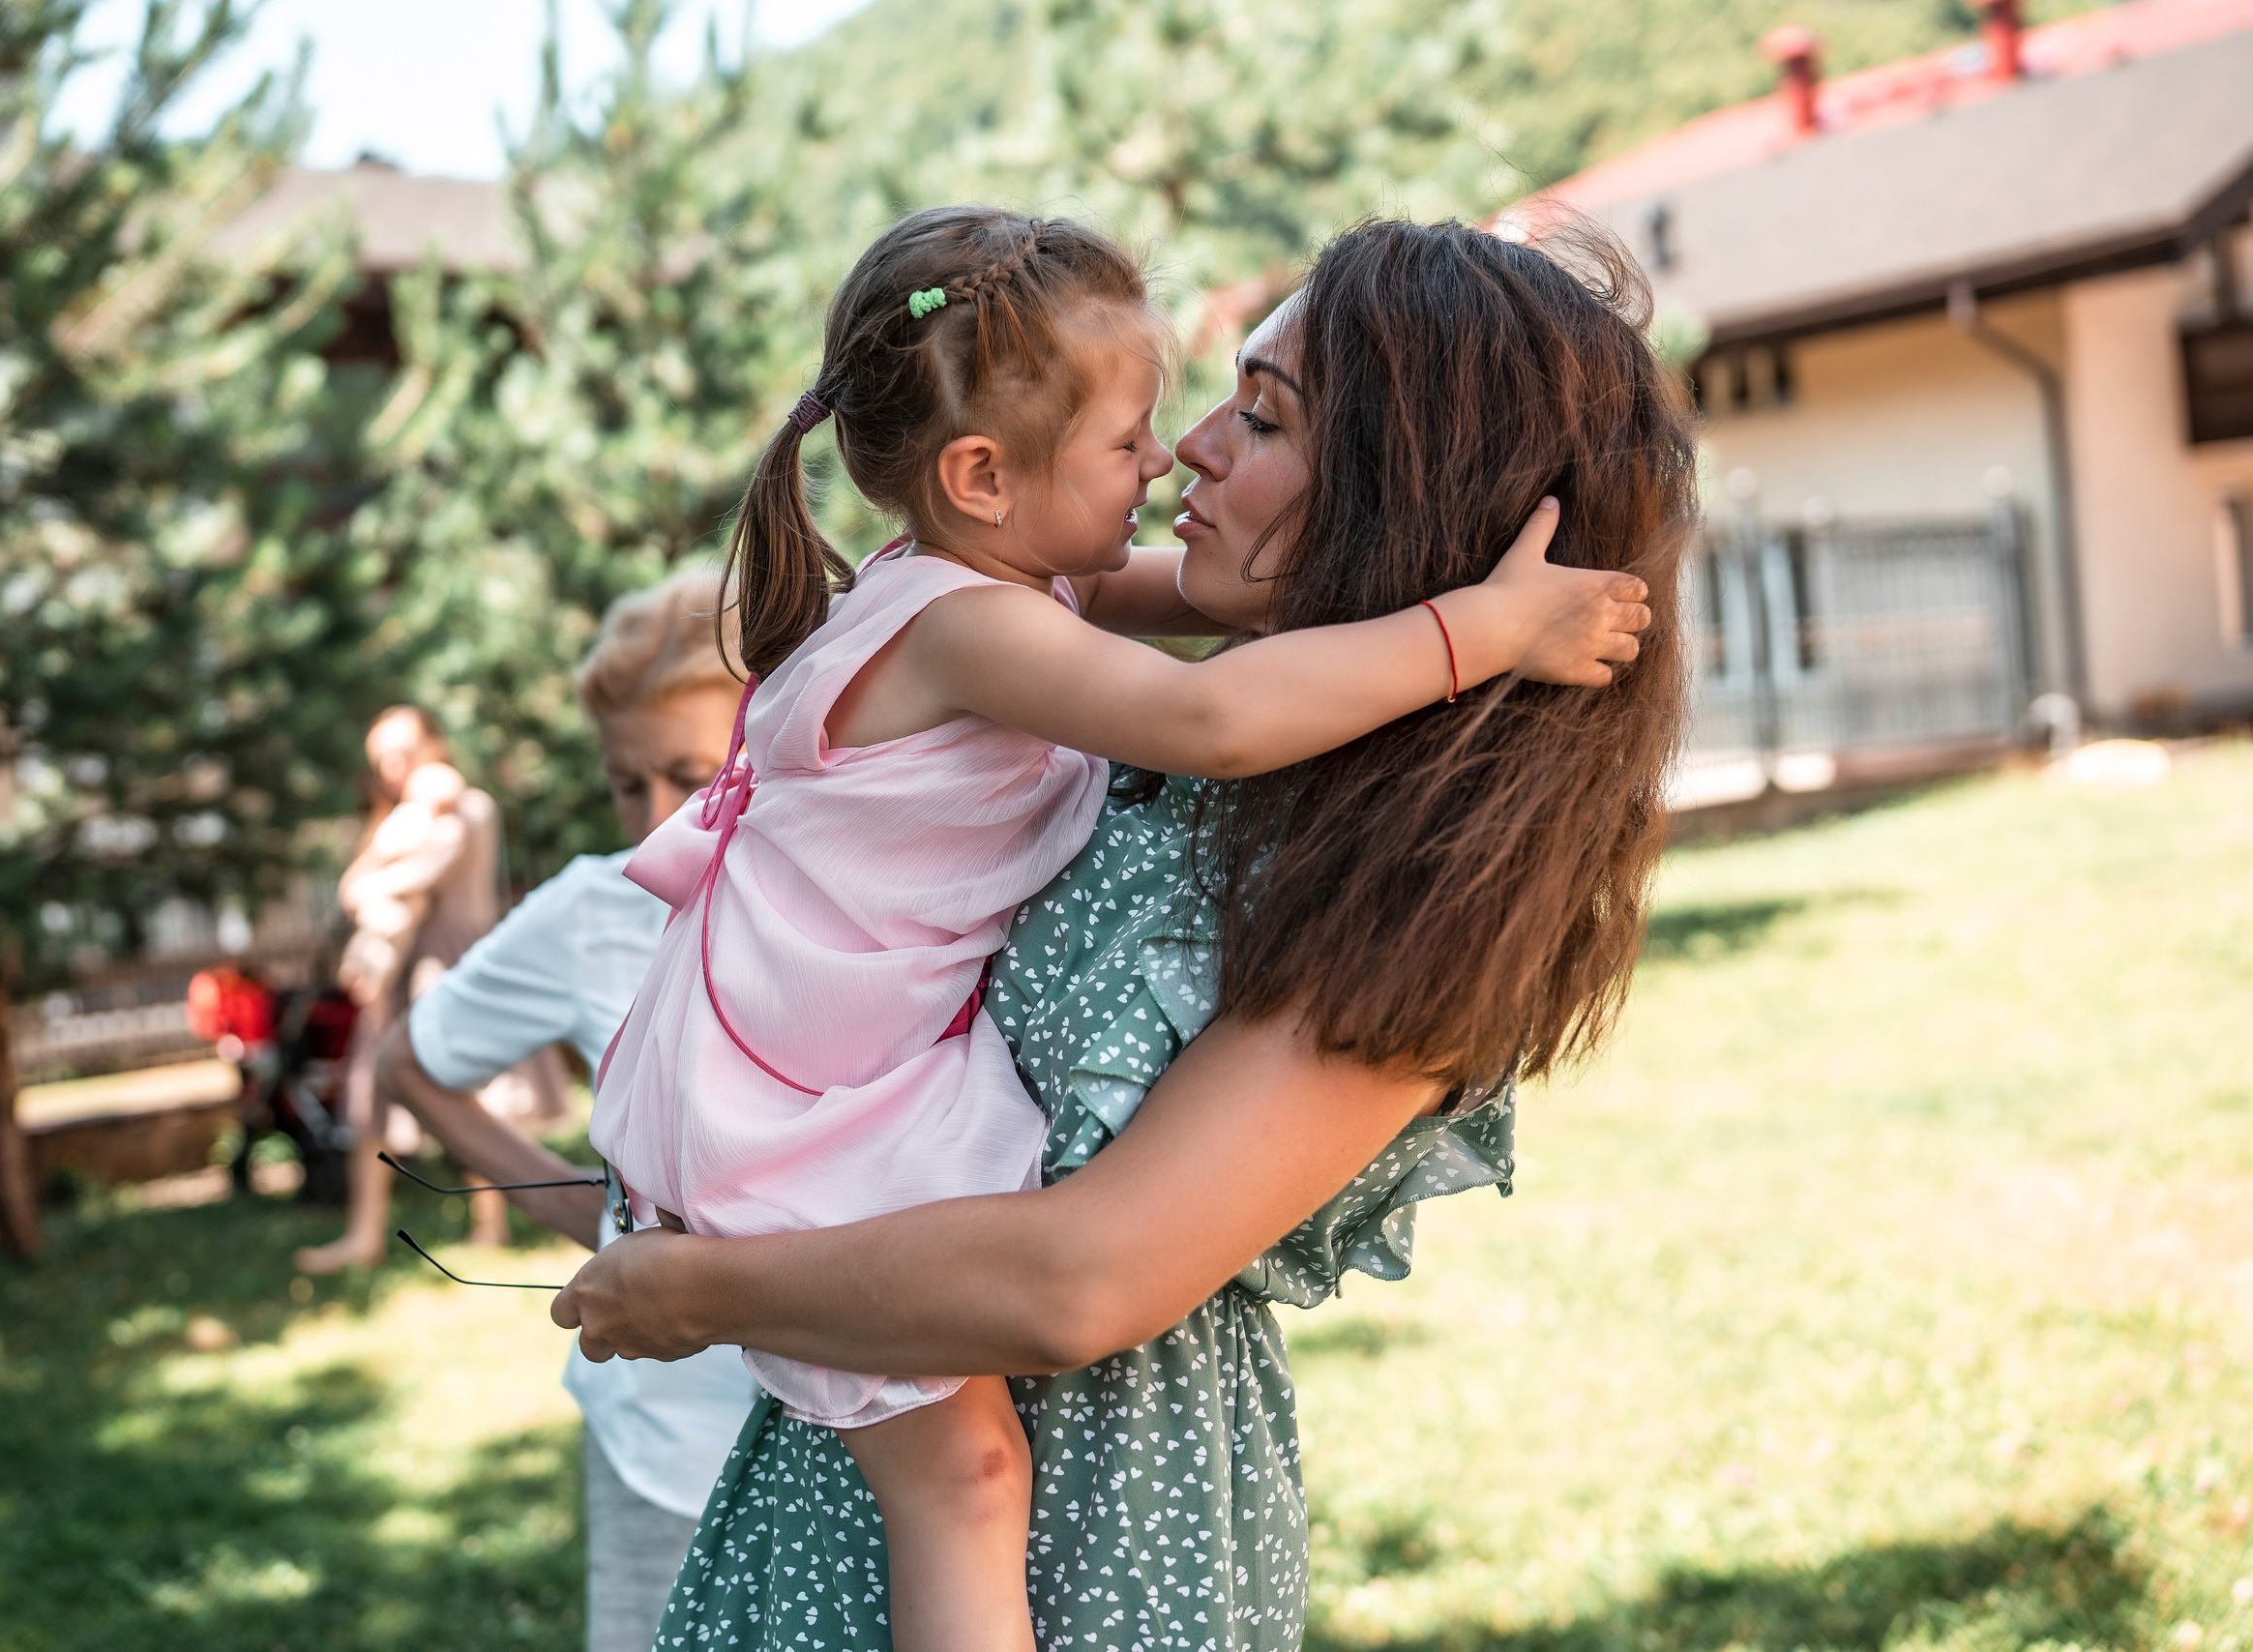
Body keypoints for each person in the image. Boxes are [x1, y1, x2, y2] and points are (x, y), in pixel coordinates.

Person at [552, 214, 1696, 1649]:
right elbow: (1195, 695)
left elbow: (1083, 1277)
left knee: (958, 1499)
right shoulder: (1104, 688)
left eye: (1262, 415)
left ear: (1406, 497)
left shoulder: (1400, 892)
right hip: (854, 1484)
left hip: (1091, 1539)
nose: (1189, 450)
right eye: (1191, 406)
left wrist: (703, 1290)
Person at [369, 569, 763, 1652]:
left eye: (686, 773)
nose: (651, 820)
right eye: (621, 785)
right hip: (666, 1443)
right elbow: (410, 1066)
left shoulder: (873, 890)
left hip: (871, 1428)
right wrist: (598, 1218)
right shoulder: (598, 906)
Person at [296, 705, 567, 1272]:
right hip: (398, 974)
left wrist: (370, 884)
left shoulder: (469, 807)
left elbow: (418, 875)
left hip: (452, 964)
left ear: (436, 746)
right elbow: (351, 886)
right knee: (373, 1093)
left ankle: (493, 1223)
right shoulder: (396, 819)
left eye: (404, 753)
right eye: (381, 761)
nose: (393, 769)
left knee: (471, 1093)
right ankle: (363, 1234)